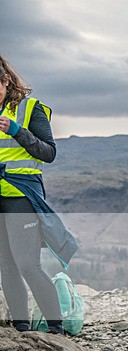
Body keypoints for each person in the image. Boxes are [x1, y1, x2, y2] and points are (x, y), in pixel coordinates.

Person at [0, 52, 77, 334]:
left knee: (27, 265)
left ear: (6, 81)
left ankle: (56, 329)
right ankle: (21, 329)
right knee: (6, 267)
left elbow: (49, 153)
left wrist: (17, 131)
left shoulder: (30, 109)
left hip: (21, 197)